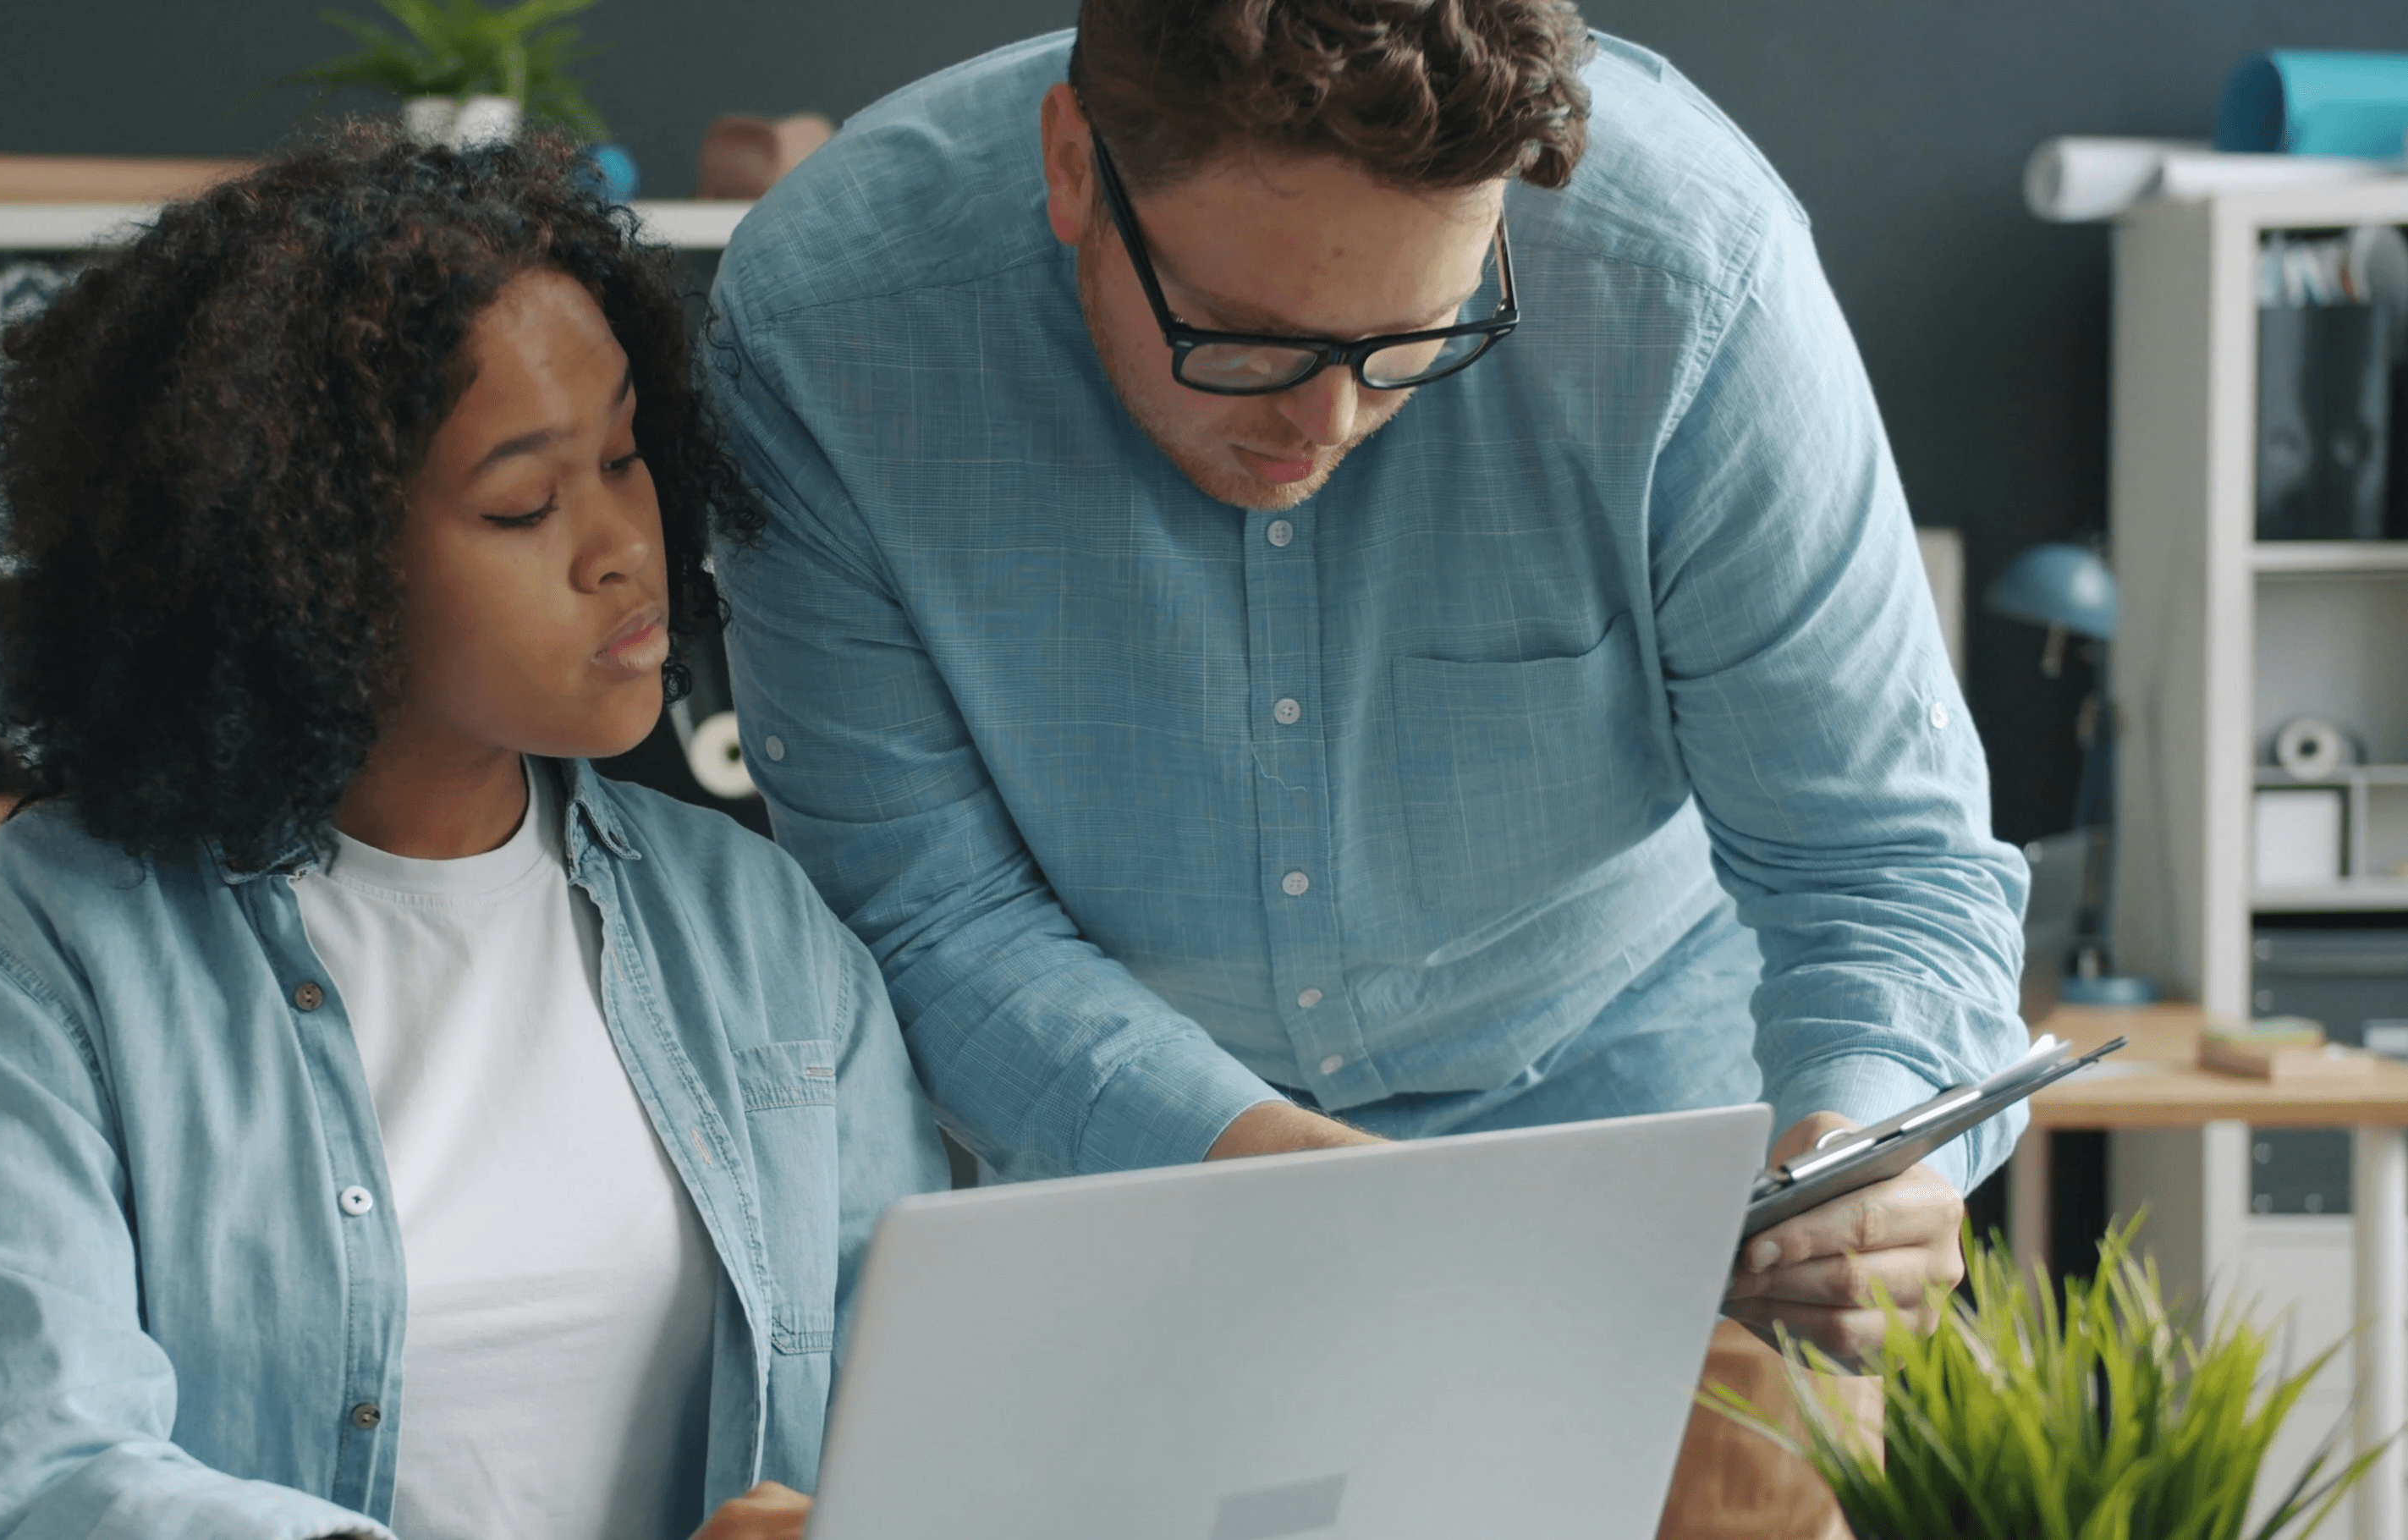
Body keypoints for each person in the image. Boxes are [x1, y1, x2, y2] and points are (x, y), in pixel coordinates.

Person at [709, 0, 2029, 1361]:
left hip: (1657, 1160)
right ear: (1072, 165)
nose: (1325, 422)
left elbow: (1881, 862)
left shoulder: (1693, 275)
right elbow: (931, 917)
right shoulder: (827, 326)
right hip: (1131, 1192)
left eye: (1419, 335)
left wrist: (1874, 1144)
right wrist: (1301, 1185)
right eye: (1241, 337)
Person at [0, 127, 944, 1540]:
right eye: (524, 502)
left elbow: (903, 1405)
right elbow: (32, 1479)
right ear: (306, 563)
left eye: (624, 454)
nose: (619, 544)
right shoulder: (19, 969)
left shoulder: (762, 936)